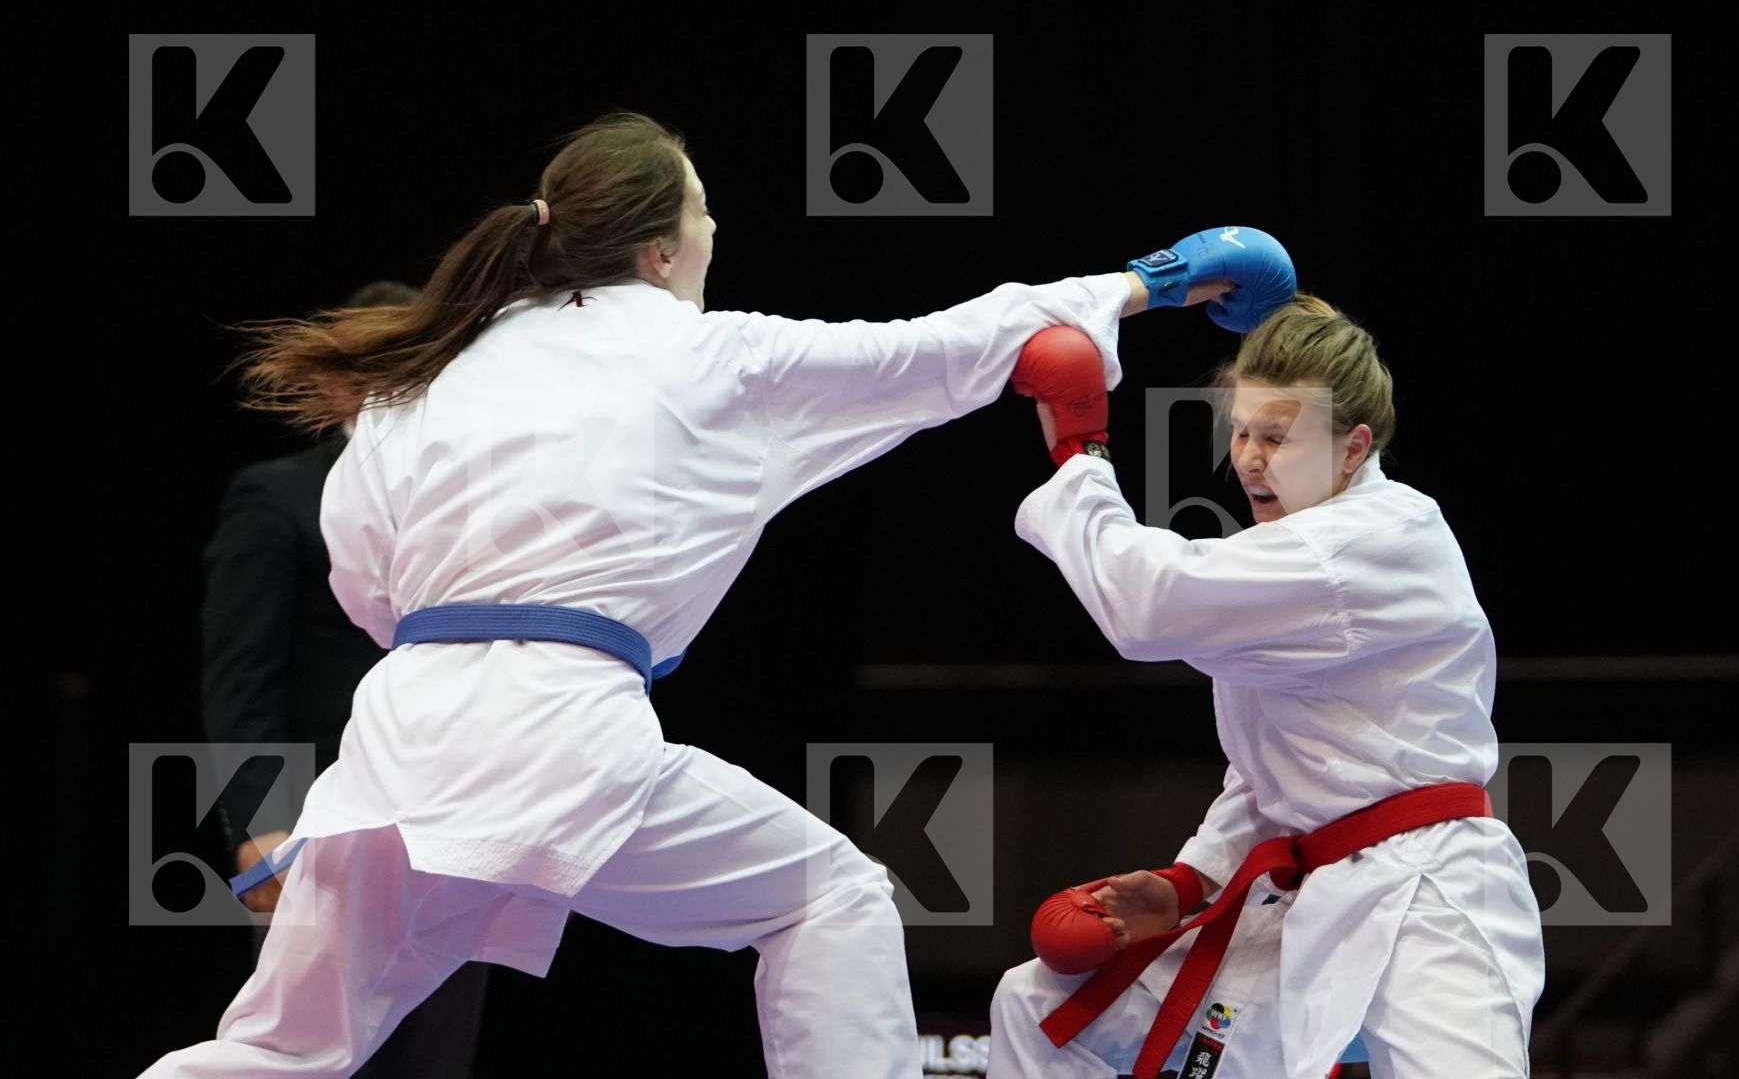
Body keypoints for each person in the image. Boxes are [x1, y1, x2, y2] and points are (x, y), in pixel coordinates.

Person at [136, 110, 1262, 1079]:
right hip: (559, 723)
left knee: (279, 1052)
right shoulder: (708, 354)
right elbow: (947, 348)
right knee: (832, 901)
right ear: (661, 249)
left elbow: (360, 578)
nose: (716, 230)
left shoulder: (424, 376)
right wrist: (1154, 280)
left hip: (398, 735)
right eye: (704, 210)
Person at [987, 291, 1545, 1078]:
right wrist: (1190, 882)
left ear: (1354, 448)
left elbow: (1148, 604)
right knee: (1043, 1008)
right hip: (1302, 899)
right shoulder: (1291, 560)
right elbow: (1271, 774)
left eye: (1277, 437)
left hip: (1429, 897)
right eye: (1241, 431)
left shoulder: (1369, 541)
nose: (1249, 456)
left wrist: (1081, 455)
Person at [199, 278, 492, 1078]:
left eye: (420, 372)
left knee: (435, 1055)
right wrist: (260, 826)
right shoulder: (280, 497)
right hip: (320, 828)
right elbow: (242, 679)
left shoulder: (472, 507)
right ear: (336, 383)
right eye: (379, 373)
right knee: (310, 1058)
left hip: (446, 822)